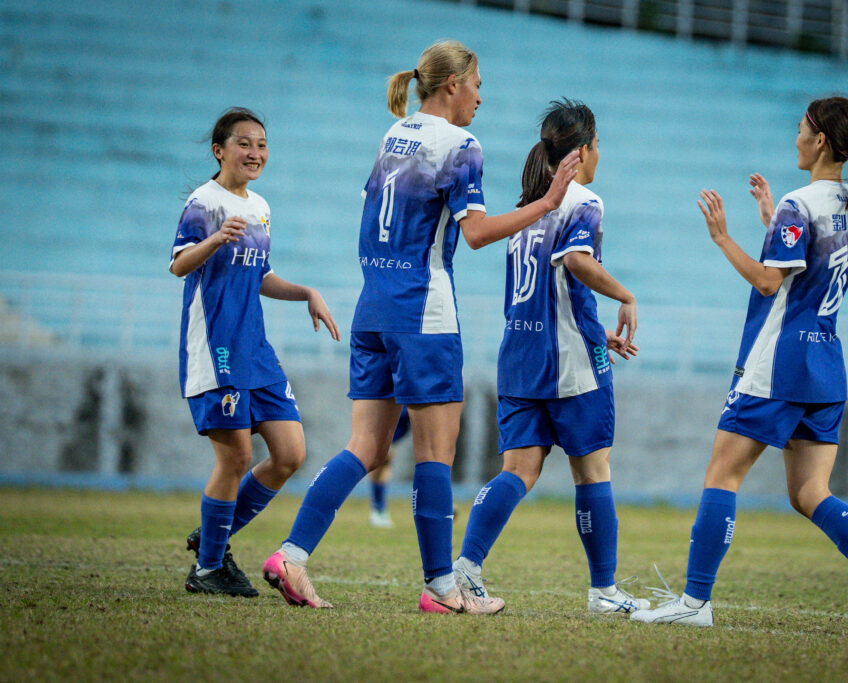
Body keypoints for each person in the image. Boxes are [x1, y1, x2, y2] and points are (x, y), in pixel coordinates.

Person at [261, 40, 581, 613]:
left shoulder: (395, 134)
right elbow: (478, 234)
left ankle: (291, 555)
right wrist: (550, 200)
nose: (482, 96)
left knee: (366, 445)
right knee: (435, 452)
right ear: (453, 83)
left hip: (373, 307)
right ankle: (441, 587)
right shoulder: (462, 146)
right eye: (478, 83)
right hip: (424, 313)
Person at [630, 97, 848, 637]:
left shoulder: (800, 202)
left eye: (801, 131)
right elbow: (802, 271)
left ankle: (695, 603)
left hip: (780, 364)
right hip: (826, 365)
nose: (795, 138)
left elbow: (770, 282)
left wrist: (723, 238)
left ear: (822, 143)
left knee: (723, 473)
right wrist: (770, 222)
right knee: (810, 493)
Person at [451, 99, 647, 616]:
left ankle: (466, 569)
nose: (599, 154)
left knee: (516, 470)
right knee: (593, 471)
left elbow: (549, 292)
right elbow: (578, 264)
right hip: (570, 366)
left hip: (519, 360)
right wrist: (625, 296)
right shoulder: (582, 201)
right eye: (598, 144)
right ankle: (603, 591)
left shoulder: (528, 211)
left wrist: (595, 329)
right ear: (583, 151)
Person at [170, 107, 340, 597]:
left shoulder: (261, 207)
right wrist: (215, 239)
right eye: (244, 143)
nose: (255, 153)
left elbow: (259, 275)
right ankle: (207, 570)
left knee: (290, 453)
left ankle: (213, 540)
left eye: (262, 144)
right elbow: (180, 264)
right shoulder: (205, 203)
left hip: (255, 349)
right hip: (217, 347)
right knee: (237, 457)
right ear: (219, 150)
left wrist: (306, 291)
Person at [367, 407, 409, 528]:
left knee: (385, 461)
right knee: (380, 461)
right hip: (394, 404)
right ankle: (377, 508)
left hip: (408, 405)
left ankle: (379, 509)